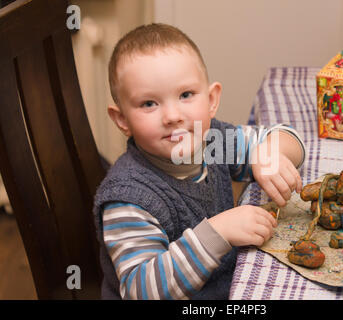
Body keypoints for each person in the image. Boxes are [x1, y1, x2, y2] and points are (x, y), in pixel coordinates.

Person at [93, 23, 306, 300]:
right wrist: (218, 233)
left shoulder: (212, 142)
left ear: (211, 99)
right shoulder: (128, 198)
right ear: (123, 120)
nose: (172, 116)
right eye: (149, 103)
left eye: (185, 95)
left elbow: (291, 140)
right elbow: (142, 291)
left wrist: (267, 155)